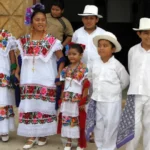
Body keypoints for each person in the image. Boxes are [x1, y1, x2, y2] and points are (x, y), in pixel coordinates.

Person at [15, 3, 65, 149]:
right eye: (37, 20)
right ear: (31, 22)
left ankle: (43, 134)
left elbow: (61, 59)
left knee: (44, 106)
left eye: (43, 20)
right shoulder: (24, 40)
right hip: (28, 79)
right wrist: (17, 72)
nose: (41, 22)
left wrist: (58, 76)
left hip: (46, 79)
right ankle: (31, 135)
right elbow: (20, 59)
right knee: (29, 105)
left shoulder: (52, 41)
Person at [86, 31, 129, 150]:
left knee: (111, 125)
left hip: (112, 101)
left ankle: (109, 148)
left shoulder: (117, 65)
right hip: (97, 99)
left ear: (113, 49)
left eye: (105, 46)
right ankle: (100, 147)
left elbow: (125, 81)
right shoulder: (94, 63)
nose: (101, 48)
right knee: (98, 125)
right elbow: (90, 77)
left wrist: (113, 91)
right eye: (99, 45)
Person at [117, 18, 150, 150]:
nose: (149, 36)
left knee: (149, 124)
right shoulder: (133, 51)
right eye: (146, 32)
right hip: (135, 92)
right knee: (133, 126)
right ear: (139, 34)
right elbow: (132, 69)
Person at [57, 43, 90, 150]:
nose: (71, 56)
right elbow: (63, 87)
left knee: (78, 120)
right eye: (69, 54)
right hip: (67, 99)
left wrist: (83, 101)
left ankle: (80, 143)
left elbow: (85, 86)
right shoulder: (65, 70)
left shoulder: (84, 69)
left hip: (77, 100)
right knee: (67, 119)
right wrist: (61, 99)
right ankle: (68, 141)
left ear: (80, 55)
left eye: (74, 54)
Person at [0, 29, 17, 142]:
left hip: (2, 72)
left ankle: (3, 131)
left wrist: (13, 70)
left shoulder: (6, 35)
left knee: (2, 100)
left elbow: (12, 54)